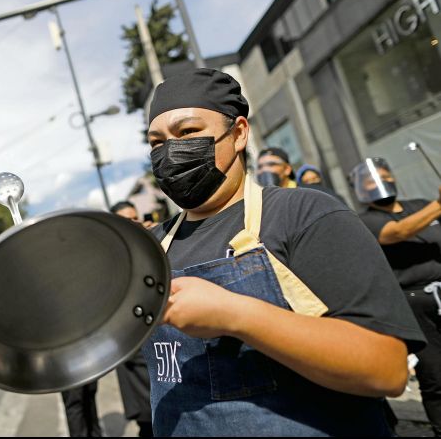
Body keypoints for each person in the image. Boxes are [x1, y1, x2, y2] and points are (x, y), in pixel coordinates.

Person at [143, 66, 425, 436]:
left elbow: (386, 368)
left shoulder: (305, 215)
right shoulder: (148, 249)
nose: (171, 151)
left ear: (239, 133)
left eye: (188, 132)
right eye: (156, 142)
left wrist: (235, 314)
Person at [351, 157, 441, 436]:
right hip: (413, 304)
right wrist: (438, 205)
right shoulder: (366, 220)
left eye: (384, 175)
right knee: (435, 374)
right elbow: (398, 232)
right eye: (372, 178)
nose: (381, 181)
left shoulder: (418, 205)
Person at [109, 201, 154, 437]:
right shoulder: (110, 259)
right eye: (127, 220)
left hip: (157, 346)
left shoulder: (153, 244)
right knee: (147, 421)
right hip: (133, 350)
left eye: (135, 217)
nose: (135, 223)